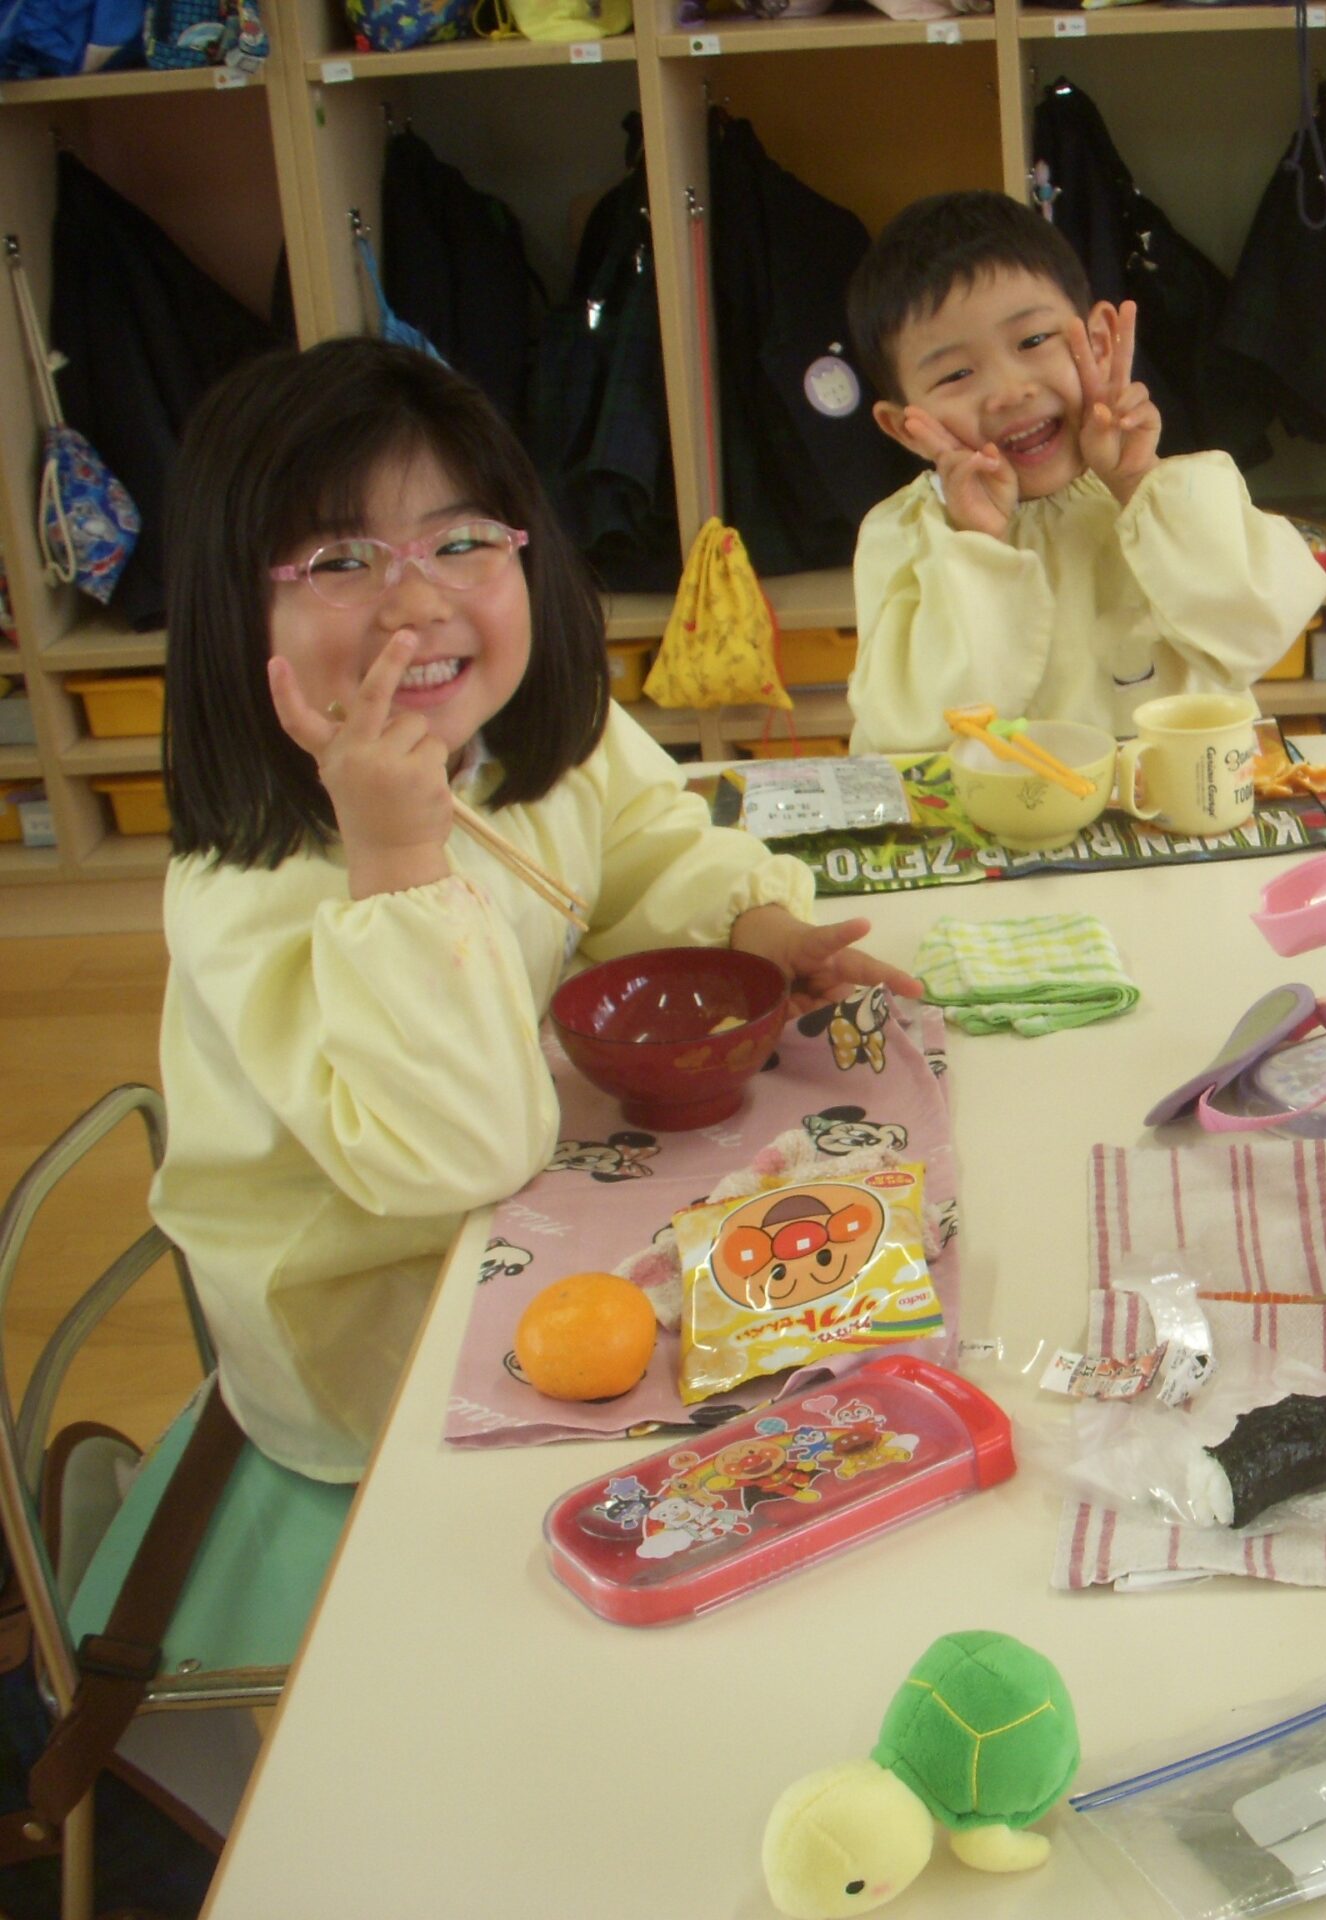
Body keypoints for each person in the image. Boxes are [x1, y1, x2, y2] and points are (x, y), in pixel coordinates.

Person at [152, 338, 920, 1483]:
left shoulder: (523, 737)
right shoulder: (248, 889)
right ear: (233, 605)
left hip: (538, 1201)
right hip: (373, 1326)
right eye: (338, 560)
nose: (416, 605)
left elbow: (641, 845)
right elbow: (454, 1158)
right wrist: (397, 856)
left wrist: (754, 925)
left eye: (460, 542)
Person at [843, 190, 1326, 752]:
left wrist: (1137, 484)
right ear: (904, 426)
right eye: (955, 375)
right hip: (1000, 809)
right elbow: (914, 728)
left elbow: (1257, 631)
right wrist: (977, 543)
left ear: (1098, 342)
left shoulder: (1170, 496)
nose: (1010, 392)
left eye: (1032, 340)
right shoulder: (903, 536)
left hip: (1172, 798)